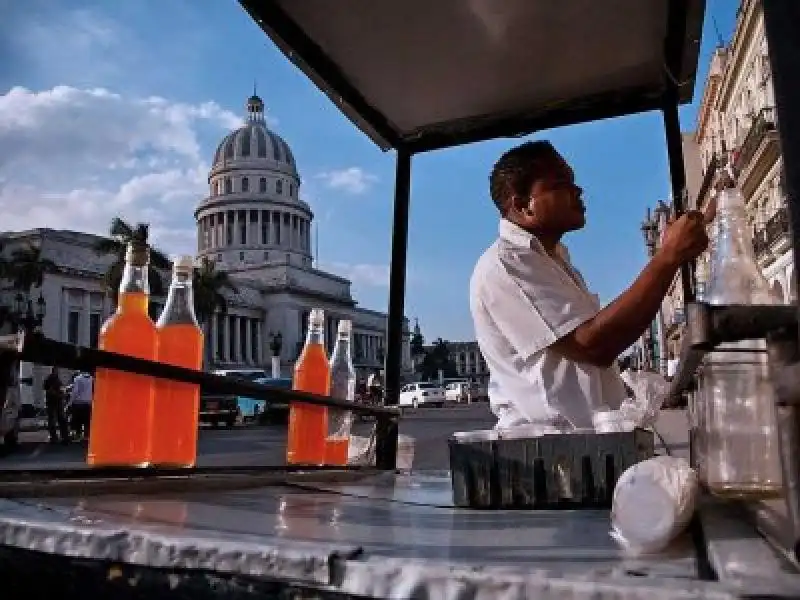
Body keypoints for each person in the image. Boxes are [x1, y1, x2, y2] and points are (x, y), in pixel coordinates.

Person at [470, 140, 711, 430]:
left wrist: (668, 257)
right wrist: (668, 257)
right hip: (554, 450)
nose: (578, 190)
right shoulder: (506, 265)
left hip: (586, 442)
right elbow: (593, 345)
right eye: (561, 184)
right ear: (522, 206)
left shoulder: (553, 260)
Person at [43, 367, 70, 444]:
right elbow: (50, 390)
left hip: (54, 402)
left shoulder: (52, 379)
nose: (57, 372)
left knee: (55, 420)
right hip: (54, 402)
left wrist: (62, 393)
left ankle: (57, 437)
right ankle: (62, 437)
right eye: (56, 370)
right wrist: (60, 395)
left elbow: (47, 389)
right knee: (58, 420)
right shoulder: (52, 379)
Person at [69, 371, 94, 440]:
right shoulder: (92, 379)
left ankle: (78, 434)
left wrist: (71, 402)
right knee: (87, 420)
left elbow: (75, 392)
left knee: (78, 420)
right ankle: (86, 435)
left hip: (78, 403)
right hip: (88, 402)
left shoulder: (78, 378)